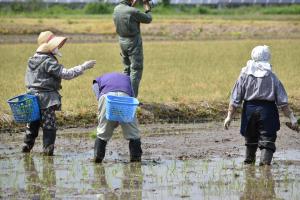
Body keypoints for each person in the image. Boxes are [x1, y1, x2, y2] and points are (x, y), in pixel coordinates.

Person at [23, 31, 96, 156]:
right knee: (49, 126)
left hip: (31, 98)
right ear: (49, 47)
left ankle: (27, 147)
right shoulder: (48, 61)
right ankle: (47, 151)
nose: (57, 47)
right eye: (55, 45)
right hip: (46, 99)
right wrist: (83, 67)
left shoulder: (32, 59)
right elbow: (66, 74)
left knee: (32, 124)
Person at [224, 45, 298, 166]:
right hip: (267, 111)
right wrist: (292, 118)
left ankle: (249, 166)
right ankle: (265, 167)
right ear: (267, 57)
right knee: (268, 140)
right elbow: (283, 102)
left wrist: (229, 116)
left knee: (250, 140)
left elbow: (235, 99)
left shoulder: (244, 76)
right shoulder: (272, 77)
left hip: (249, 111)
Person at [92, 72, 142, 163]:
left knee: (103, 131)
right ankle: (136, 159)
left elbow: (98, 95)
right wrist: (121, 118)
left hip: (107, 97)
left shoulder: (97, 80)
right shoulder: (128, 79)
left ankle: (97, 158)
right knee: (133, 132)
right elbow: (132, 96)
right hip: (126, 96)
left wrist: (104, 117)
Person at [113, 0, 153, 97]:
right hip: (133, 43)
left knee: (127, 69)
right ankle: (132, 99)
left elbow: (128, 12)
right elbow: (148, 19)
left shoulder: (116, 9)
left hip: (122, 42)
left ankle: (124, 96)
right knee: (136, 69)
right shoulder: (133, 11)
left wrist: (132, 4)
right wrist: (147, 6)